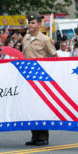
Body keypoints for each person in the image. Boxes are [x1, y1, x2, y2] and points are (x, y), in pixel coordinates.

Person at [22, 12, 57, 146]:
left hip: (40, 77)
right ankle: (34, 135)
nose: (30, 25)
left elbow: (54, 56)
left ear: (39, 24)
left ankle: (43, 136)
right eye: (29, 22)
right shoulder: (25, 38)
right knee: (31, 107)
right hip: (28, 77)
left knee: (41, 107)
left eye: (32, 22)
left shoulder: (44, 39)